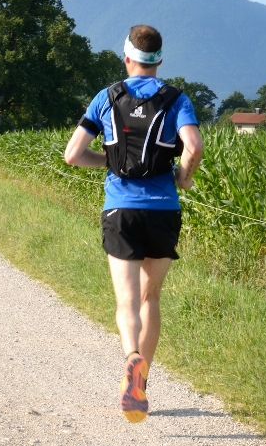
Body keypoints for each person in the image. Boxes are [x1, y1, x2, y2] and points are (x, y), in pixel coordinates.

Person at [64, 24, 203, 424]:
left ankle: (132, 358)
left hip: (120, 209)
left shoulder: (106, 98)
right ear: (159, 60)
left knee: (127, 302)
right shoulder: (176, 99)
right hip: (163, 210)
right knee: (150, 299)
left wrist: (108, 162)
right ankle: (143, 382)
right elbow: (192, 148)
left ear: (126, 57)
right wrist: (183, 177)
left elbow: (73, 154)